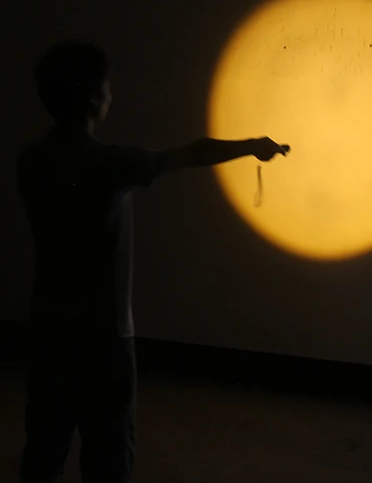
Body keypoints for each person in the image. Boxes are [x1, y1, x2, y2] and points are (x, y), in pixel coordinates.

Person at [16, 41, 290, 483]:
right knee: (109, 456)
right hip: (103, 337)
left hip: (49, 329)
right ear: (94, 97)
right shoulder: (109, 163)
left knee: (44, 450)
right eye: (106, 85)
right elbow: (193, 153)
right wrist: (254, 145)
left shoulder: (31, 160)